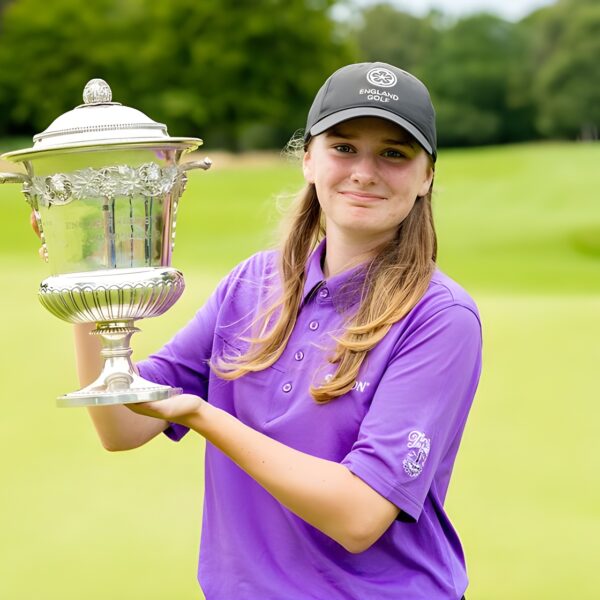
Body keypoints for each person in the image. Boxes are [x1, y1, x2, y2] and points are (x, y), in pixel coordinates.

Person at [72, 62, 482, 600]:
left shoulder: (440, 317)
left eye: (394, 153)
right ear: (308, 158)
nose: (364, 170)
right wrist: (90, 279)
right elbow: (120, 427)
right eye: (343, 147)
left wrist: (202, 414)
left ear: (427, 176)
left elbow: (359, 516)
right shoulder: (251, 284)